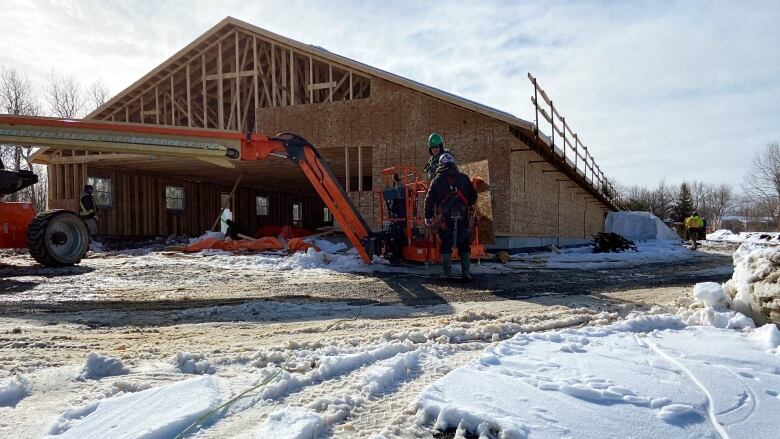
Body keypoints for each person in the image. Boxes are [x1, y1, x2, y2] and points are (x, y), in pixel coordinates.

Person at [423, 152, 478, 281]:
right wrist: (466, 205)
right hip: (463, 217)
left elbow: (429, 200)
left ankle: (446, 274)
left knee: (446, 244)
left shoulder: (436, 180)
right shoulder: (464, 178)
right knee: (464, 245)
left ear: (440, 165)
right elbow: (474, 197)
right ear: (454, 163)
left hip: (445, 219)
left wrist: (428, 216)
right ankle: (466, 273)